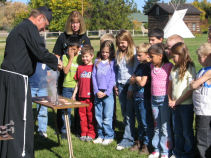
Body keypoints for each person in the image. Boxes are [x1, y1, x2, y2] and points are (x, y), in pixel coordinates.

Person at [0, 6, 62, 158]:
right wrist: (56, 60)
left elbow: (30, 53)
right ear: (40, 18)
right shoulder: (29, 28)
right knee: (20, 118)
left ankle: (5, 150)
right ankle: (19, 153)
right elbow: (40, 51)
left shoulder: (18, 28)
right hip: (17, 80)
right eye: (45, 25)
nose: (43, 29)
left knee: (7, 116)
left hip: (6, 78)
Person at [53, 11, 90, 133]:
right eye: (72, 22)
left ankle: (78, 128)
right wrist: (59, 62)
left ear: (81, 24)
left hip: (79, 78)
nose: (75, 25)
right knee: (63, 102)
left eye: (77, 22)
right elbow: (56, 54)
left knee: (78, 103)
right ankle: (61, 127)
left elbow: (88, 56)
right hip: (64, 75)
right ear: (69, 24)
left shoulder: (84, 38)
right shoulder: (62, 37)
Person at [168, 42, 196, 158]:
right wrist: (170, 99)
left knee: (186, 131)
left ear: (181, 54)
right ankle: (177, 152)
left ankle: (188, 153)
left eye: (174, 56)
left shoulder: (190, 67)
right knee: (177, 131)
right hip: (175, 105)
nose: (172, 59)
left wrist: (177, 101)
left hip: (186, 105)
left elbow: (190, 89)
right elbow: (170, 85)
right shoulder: (174, 69)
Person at [114, 30, 139, 150]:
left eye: (123, 42)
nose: (121, 45)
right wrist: (116, 85)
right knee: (124, 112)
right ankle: (130, 134)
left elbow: (135, 71)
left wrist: (131, 87)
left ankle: (128, 139)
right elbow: (117, 70)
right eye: (119, 43)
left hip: (130, 86)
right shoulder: (119, 52)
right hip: (121, 85)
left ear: (129, 41)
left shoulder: (134, 52)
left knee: (129, 113)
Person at [148, 43, 173, 158]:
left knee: (164, 126)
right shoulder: (151, 66)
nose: (150, 59)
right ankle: (156, 149)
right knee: (157, 125)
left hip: (164, 100)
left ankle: (165, 151)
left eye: (152, 56)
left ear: (160, 56)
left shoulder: (168, 66)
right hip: (154, 99)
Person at [129, 43, 153, 155]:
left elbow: (142, 82)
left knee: (145, 122)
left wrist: (136, 78)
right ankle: (139, 141)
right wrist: (135, 79)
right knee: (139, 121)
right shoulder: (139, 66)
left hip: (145, 98)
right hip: (137, 97)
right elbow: (131, 79)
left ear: (147, 55)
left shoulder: (148, 66)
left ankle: (147, 145)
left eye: (140, 55)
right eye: (137, 55)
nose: (137, 57)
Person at [92, 40, 116, 145]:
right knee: (98, 115)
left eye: (107, 52)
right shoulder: (96, 62)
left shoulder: (112, 63)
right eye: (103, 52)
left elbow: (113, 78)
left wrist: (107, 92)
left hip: (108, 94)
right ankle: (100, 135)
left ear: (111, 52)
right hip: (98, 93)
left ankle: (108, 136)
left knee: (107, 116)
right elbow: (93, 76)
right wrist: (96, 91)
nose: (105, 54)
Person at [72, 45, 96, 142]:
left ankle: (91, 133)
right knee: (82, 116)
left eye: (87, 56)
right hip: (81, 97)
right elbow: (77, 83)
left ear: (92, 56)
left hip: (91, 97)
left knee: (90, 116)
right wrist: (74, 94)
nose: (84, 58)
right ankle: (83, 133)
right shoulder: (80, 68)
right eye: (83, 56)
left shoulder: (94, 67)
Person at [191, 43, 211, 158]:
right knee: (202, 136)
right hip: (200, 110)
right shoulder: (203, 70)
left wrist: (194, 83)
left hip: (206, 112)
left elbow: (194, 85)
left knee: (203, 139)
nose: (198, 60)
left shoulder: (208, 72)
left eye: (200, 57)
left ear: (206, 57)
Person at [60, 37, 82, 138]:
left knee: (78, 111)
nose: (71, 51)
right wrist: (71, 58)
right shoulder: (65, 57)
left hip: (78, 88)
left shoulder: (81, 58)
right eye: (70, 49)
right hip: (67, 87)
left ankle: (78, 130)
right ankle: (65, 130)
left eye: (74, 49)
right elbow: (65, 71)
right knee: (66, 110)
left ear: (78, 49)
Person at [29, 62, 50, 138]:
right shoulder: (30, 58)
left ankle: (42, 130)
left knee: (43, 110)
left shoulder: (44, 59)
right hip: (30, 87)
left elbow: (49, 71)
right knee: (27, 109)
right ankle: (26, 129)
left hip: (43, 88)